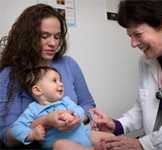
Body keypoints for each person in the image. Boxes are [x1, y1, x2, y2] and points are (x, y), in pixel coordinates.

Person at [91, 0, 162, 150]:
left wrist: (143, 144)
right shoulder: (147, 61)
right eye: (130, 36)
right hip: (157, 141)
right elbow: (142, 109)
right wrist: (116, 125)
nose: (133, 44)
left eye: (138, 34)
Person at [0, 3, 96, 148]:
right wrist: (45, 122)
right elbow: (6, 135)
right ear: (27, 37)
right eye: (44, 36)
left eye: (57, 37)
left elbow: (88, 104)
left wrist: (76, 118)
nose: (53, 43)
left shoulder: (69, 64)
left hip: (79, 136)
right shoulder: (10, 74)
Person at [11, 66, 114, 149]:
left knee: (111, 138)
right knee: (61, 145)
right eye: (55, 80)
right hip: (61, 144)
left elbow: (80, 110)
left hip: (84, 135)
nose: (60, 84)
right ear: (37, 90)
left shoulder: (65, 101)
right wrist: (32, 134)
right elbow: (16, 128)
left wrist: (73, 114)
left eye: (60, 80)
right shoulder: (33, 109)